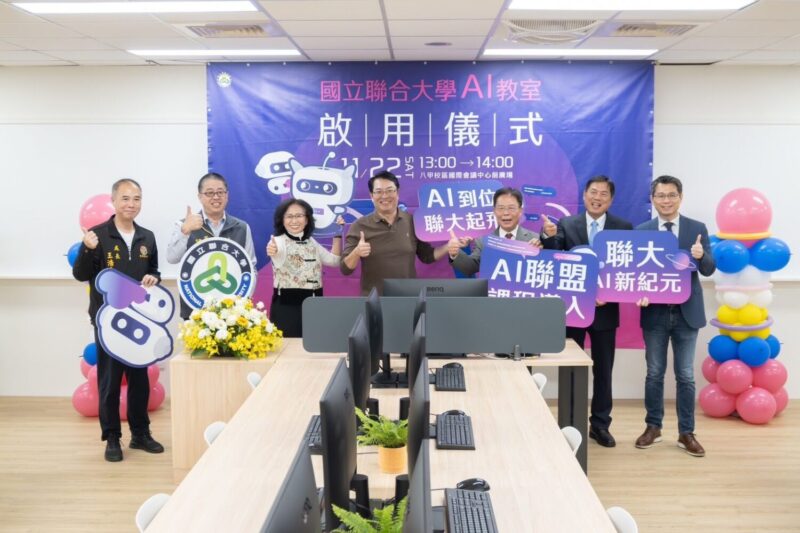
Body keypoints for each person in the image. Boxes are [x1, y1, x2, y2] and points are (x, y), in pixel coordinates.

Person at [72, 179, 164, 462]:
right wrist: (87, 249)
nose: (131, 204)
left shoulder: (147, 237)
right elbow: (81, 274)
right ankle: (112, 437)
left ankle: (140, 434)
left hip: (139, 322)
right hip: (108, 322)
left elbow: (154, 270)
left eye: (136, 198)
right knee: (109, 382)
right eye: (125, 198)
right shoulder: (98, 235)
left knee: (139, 380)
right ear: (113, 201)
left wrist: (154, 277)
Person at [540, 175, 633, 448]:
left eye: (604, 194)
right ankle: (569, 424)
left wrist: (607, 293)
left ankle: (600, 426)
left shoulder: (623, 228)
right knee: (571, 369)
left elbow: (627, 270)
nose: (597, 197)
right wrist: (548, 237)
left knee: (603, 371)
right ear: (584, 195)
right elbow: (555, 258)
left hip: (606, 310)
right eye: (593, 192)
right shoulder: (567, 224)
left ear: (611, 200)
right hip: (574, 310)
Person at [634, 175, 715, 457]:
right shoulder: (642, 231)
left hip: (686, 313)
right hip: (654, 313)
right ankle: (653, 427)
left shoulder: (696, 228)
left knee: (686, 375)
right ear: (652, 199)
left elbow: (709, 269)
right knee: (654, 373)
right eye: (660, 195)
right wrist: (639, 292)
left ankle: (686, 433)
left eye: (671, 195)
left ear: (680, 197)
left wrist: (701, 255)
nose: (666, 200)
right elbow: (634, 273)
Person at [340, 170, 450, 295]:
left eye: (390, 190)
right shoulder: (359, 226)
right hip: (374, 300)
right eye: (379, 192)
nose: (384, 196)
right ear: (371, 196)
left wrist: (448, 246)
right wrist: (356, 252)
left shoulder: (413, 221)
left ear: (397, 193)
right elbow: (345, 269)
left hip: (408, 298)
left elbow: (427, 256)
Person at [166, 172, 257, 319]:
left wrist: (242, 300)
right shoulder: (184, 224)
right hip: (195, 311)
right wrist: (185, 231)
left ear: (227, 195)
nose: (215, 197)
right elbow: (171, 258)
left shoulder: (241, 227)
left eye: (220, 192)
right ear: (200, 196)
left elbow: (251, 268)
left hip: (232, 313)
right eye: (209, 193)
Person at [266, 198, 343, 337]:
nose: (294, 220)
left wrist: (337, 235)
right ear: (282, 220)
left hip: (314, 305)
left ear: (307, 220)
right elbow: (274, 250)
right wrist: (272, 249)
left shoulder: (311, 241)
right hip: (287, 307)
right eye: (289, 216)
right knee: (288, 347)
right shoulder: (277, 242)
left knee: (314, 345)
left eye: (299, 216)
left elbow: (334, 261)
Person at [448, 187, 540, 276]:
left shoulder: (535, 239)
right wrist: (455, 253)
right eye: (501, 208)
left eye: (511, 208)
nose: (506, 213)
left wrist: (541, 250)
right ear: (494, 211)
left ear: (520, 211)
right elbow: (470, 267)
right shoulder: (484, 241)